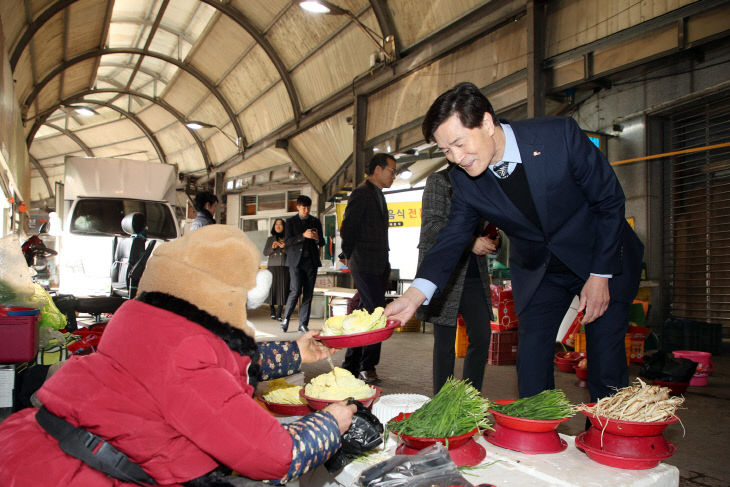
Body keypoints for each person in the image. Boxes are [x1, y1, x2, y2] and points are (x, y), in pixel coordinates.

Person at [0, 225, 356, 486]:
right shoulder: (188, 356)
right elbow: (272, 456)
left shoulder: (141, 322)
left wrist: (294, 352)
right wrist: (330, 425)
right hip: (82, 476)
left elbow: (215, 362)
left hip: (32, 453)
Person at [385, 82, 644, 403]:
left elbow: (608, 201)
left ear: (487, 123)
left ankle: (607, 441)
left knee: (604, 365)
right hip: (541, 269)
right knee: (531, 363)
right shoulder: (464, 180)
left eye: (459, 143)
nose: (457, 158)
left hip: (601, 256)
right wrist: (412, 298)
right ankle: (537, 442)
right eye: (446, 151)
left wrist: (600, 275)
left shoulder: (558, 135)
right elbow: (453, 238)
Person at [417, 165, 496, 394]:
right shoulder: (439, 180)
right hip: (446, 274)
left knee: (481, 337)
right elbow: (431, 226)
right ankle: (442, 402)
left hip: (474, 275)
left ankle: (469, 399)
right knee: (444, 345)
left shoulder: (480, 182)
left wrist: (490, 239)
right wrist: (471, 242)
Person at [339, 153, 396, 384]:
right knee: (375, 316)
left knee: (363, 315)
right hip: (364, 264)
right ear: (378, 170)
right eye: (392, 170)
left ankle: (350, 366)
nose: (394, 175)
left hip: (379, 264)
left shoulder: (378, 195)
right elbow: (348, 227)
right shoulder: (362, 193)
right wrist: (348, 254)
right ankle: (367, 366)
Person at [281, 195, 325, 333]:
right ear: (298, 207)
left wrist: (317, 238)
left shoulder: (315, 221)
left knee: (308, 293)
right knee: (295, 290)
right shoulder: (290, 222)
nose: (306, 210)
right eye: (303, 207)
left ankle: (303, 324)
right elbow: (287, 242)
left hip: (311, 262)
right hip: (295, 262)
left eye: (308, 207)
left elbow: (322, 242)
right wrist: (302, 236)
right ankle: (286, 319)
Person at [263, 218, 290, 321]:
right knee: (271, 289)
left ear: (284, 226)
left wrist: (284, 247)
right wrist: (272, 248)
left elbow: (292, 253)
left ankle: (279, 313)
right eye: (276, 224)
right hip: (272, 266)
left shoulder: (288, 238)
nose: (278, 226)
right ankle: (272, 311)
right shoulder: (270, 239)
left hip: (284, 266)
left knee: (282, 289)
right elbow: (265, 253)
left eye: (280, 224)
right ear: (274, 227)